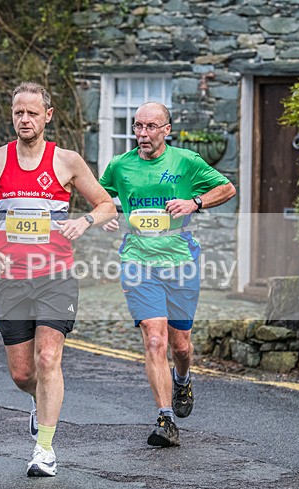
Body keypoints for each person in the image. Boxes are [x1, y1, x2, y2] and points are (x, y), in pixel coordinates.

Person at [0, 82, 116, 476]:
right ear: (11, 116)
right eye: (18, 113)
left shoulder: (67, 161)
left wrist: (83, 221)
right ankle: (40, 400)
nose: (24, 119)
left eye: (32, 112)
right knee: (23, 373)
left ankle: (44, 449)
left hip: (55, 277)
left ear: (48, 116)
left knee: (48, 358)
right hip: (10, 277)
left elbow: (104, 204)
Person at [100, 102, 235, 447]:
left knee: (181, 345)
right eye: (138, 127)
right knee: (155, 338)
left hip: (179, 260)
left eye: (150, 127)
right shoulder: (120, 165)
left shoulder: (186, 162)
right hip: (138, 259)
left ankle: (183, 378)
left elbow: (227, 188)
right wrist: (105, 215)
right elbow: (99, 197)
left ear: (166, 129)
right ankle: (166, 418)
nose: (142, 134)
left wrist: (195, 203)